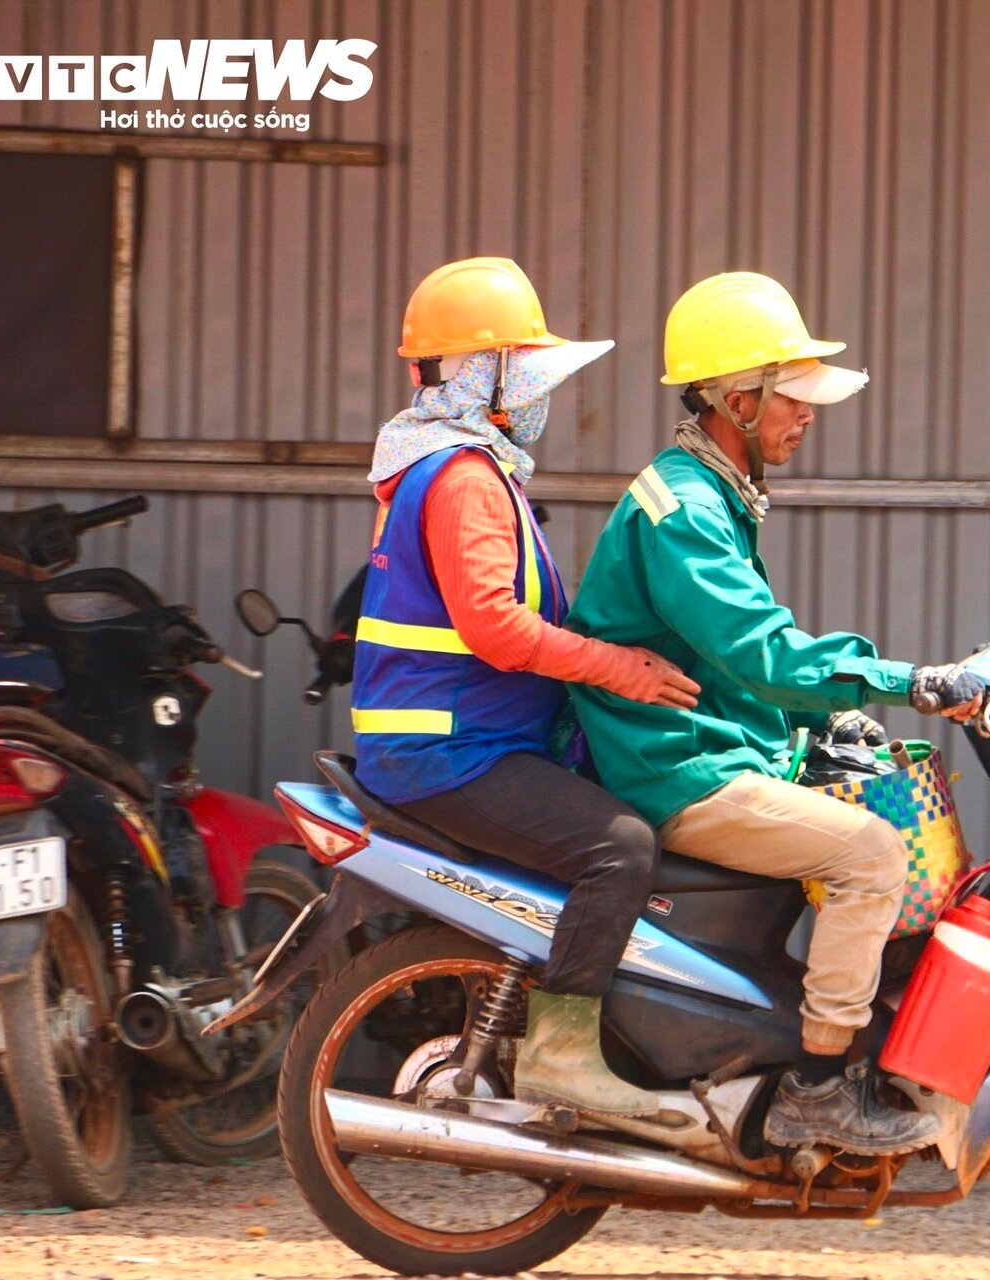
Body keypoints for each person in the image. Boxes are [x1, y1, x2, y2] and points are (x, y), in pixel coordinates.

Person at [566, 271, 983, 1155]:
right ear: (737, 399)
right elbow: (762, 651)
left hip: (713, 743)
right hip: (680, 770)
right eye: (793, 396)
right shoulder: (684, 510)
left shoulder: (714, 492)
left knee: (875, 789)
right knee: (872, 856)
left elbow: (723, 663)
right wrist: (907, 678)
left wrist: (810, 730)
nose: (809, 414)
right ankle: (821, 1086)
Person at [352, 257, 701, 1118]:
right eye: (527, 371)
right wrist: (626, 670)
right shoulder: (465, 478)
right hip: (447, 753)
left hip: (460, 743)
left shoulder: (447, 464)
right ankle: (561, 1057)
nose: (541, 393)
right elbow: (498, 630)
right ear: (484, 375)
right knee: (618, 847)